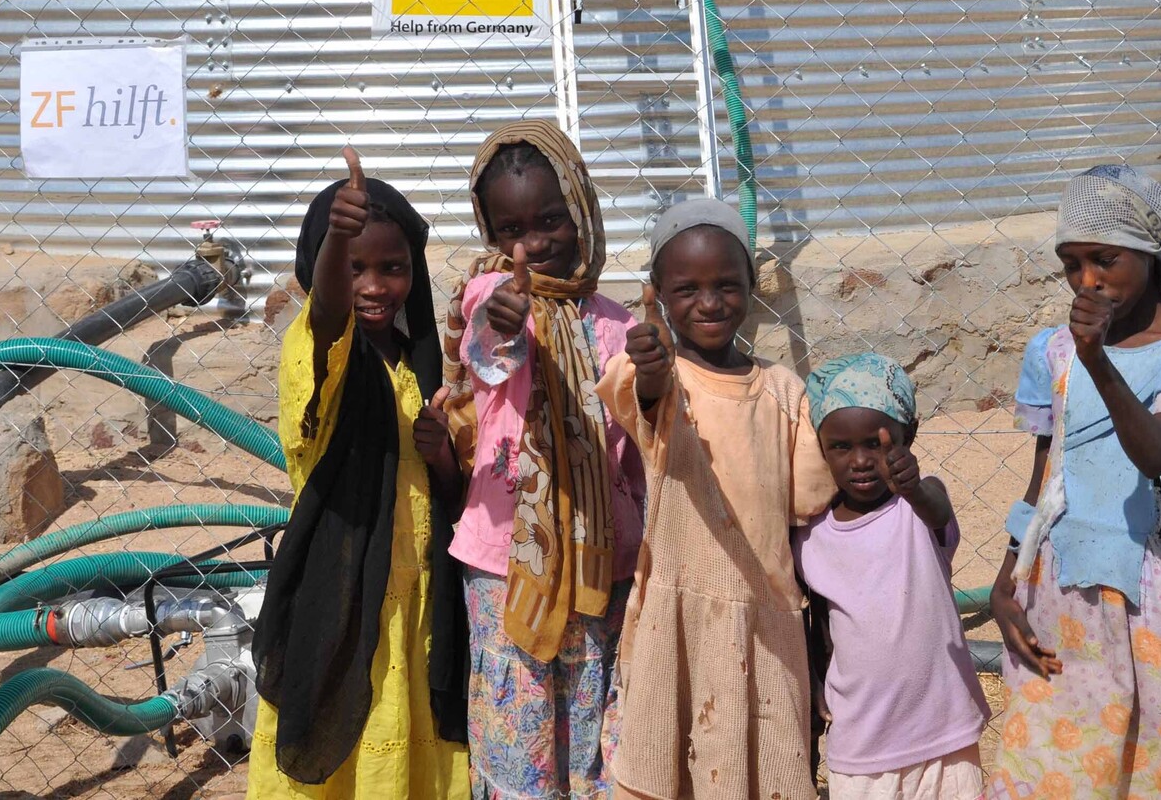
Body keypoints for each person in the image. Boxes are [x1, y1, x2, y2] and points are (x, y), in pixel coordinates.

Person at [990, 163, 1161, 800]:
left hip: (1143, 597)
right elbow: (1044, 479)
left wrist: (1097, 358)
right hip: (1053, 587)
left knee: (1152, 765)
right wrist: (1004, 585)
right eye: (1071, 264)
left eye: (1105, 259)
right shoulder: (1050, 350)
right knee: (1054, 762)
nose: (1087, 280)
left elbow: (1157, 454)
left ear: (1152, 255)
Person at [596, 198, 836, 800]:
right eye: (687, 289)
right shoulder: (663, 377)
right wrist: (651, 366)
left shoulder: (782, 389)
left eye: (727, 284)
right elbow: (640, 398)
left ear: (752, 285)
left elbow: (807, 499)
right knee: (673, 762)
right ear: (658, 293)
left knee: (763, 763)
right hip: (681, 604)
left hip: (766, 606)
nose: (709, 302)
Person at [249, 148, 469, 799]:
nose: (376, 285)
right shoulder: (320, 356)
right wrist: (336, 239)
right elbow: (327, 321)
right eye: (354, 268)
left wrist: (440, 454)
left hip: (419, 608)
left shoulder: (417, 366)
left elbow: (450, 496)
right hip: (342, 600)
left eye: (393, 267)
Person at [439, 119, 644, 799]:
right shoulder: (496, 301)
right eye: (510, 230)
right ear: (492, 236)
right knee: (515, 722)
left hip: (600, 555)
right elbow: (490, 358)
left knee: (590, 717)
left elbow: (638, 442)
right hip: (505, 561)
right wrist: (503, 318)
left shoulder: (620, 324)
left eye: (552, 219)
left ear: (582, 209)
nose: (533, 243)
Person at [794, 353, 992, 800]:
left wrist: (914, 487)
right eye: (841, 447)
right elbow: (821, 622)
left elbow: (936, 507)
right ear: (820, 449)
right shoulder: (809, 536)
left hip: (945, 733)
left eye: (877, 444)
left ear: (910, 436)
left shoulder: (918, 510)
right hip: (862, 745)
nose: (861, 461)